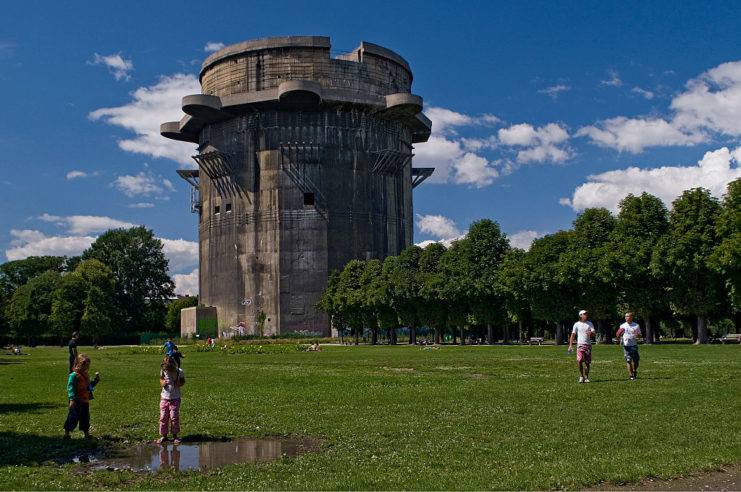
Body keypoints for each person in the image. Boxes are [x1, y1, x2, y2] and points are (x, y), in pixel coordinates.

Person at [64, 354, 100, 439]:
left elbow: (89, 385)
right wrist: (72, 399)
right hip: (76, 401)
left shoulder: (85, 374)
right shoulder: (73, 376)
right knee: (73, 417)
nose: (86, 368)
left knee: (85, 417)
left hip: (85, 400)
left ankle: (86, 433)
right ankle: (67, 433)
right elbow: (71, 388)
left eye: (87, 366)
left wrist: (96, 380)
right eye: (85, 366)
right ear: (78, 365)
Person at [158, 355, 185, 445]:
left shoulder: (179, 371)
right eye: (166, 370)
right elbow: (161, 379)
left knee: (174, 417)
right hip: (164, 397)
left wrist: (179, 383)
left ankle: (175, 436)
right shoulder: (163, 371)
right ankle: (164, 435)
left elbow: (183, 381)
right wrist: (163, 383)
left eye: (169, 370)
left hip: (175, 397)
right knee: (163, 417)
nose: (168, 371)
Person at [568, 309, 596, 383]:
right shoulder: (576, 324)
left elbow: (594, 332)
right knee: (579, 360)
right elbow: (573, 335)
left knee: (587, 362)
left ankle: (586, 377)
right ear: (580, 315)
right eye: (584, 314)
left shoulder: (589, 323)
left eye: (586, 314)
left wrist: (591, 332)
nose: (586, 315)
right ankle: (581, 376)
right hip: (580, 344)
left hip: (588, 344)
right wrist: (570, 345)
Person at [615, 312, 642, 380]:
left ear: (631, 317)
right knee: (628, 360)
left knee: (636, 361)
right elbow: (619, 334)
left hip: (634, 345)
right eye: (626, 316)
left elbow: (640, 334)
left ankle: (635, 371)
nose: (627, 318)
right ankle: (631, 375)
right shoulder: (622, 326)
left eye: (628, 316)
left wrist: (638, 335)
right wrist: (619, 337)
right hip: (626, 345)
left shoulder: (636, 325)